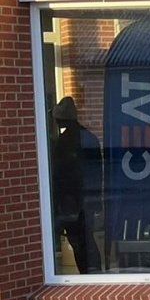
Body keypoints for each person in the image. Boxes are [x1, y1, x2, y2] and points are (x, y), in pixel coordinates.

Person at [51, 96, 103, 273]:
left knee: (78, 239)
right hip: (87, 197)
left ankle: (88, 273)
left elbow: (59, 174)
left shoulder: (64, 142)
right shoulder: (89, 137)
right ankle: (94, 271)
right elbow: (98, 171)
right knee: (85, 238)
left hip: (71, 200)